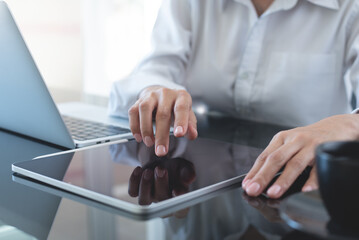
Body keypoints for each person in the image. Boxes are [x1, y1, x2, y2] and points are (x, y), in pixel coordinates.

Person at [109, 0, 359, 199]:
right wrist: (155, 89)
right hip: (204, 179)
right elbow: (154, 68)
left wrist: (351, 124)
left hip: (307, 183)